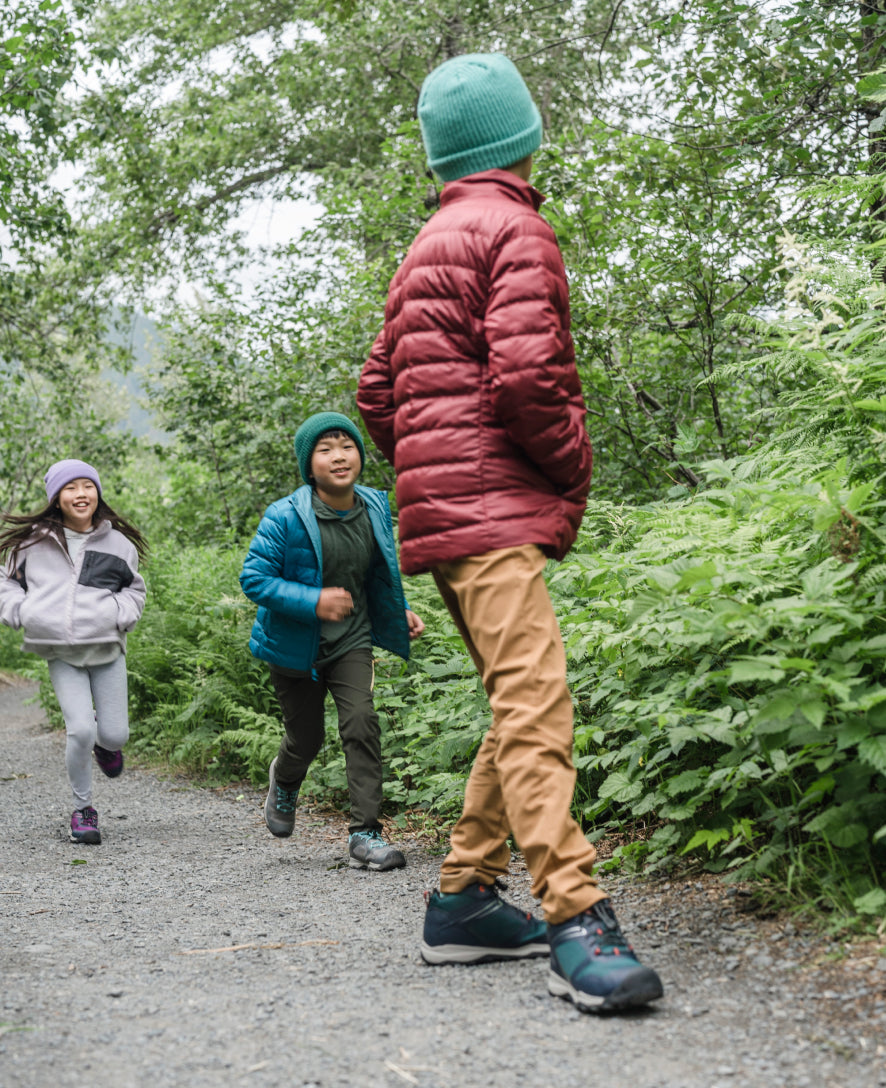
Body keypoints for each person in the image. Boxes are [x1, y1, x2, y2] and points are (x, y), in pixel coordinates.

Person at [358, 54, 663, 1011]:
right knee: (539, 709)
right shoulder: (516, 228)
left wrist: (435, 472)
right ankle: (576, 916)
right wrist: (570, 463)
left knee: (513, 699)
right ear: (524, 135)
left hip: (445, 517)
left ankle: (461, 901)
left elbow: (377, 391)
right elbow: (531, 379)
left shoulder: (428, 244)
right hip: (490, 513)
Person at [239, 411, 424, 872]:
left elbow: (371, 576)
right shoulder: (285, 516)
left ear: (360, 454)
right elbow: (254, 579)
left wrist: (395, 613)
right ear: (309, 464)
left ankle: (366, 832)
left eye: (347, 446)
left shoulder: (375, 507)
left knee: (361, 721)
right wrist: (314, 601)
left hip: (351, 639)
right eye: (325, 449)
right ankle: (284, 778)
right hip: (294, 645)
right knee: (306, 738)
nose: (339, 456)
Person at [0, 459, 147, 846]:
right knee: (80, 729)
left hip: (106, 649)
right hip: (60, 651)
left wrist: (120, 614)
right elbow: (8, 584)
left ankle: (105, 744)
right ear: (56, 497)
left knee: (114, 735)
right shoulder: (32, 542)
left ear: (97, 492)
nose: (81, 494)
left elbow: (134, 590)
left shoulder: (117, 544)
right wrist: (20, 610)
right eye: (71, 488)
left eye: (87, 486)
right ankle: (83, 810)